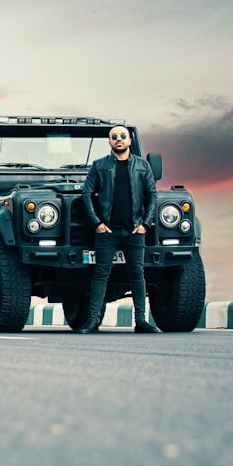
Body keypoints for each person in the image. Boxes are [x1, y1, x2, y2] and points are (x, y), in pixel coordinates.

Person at [81, 125, 159, 334]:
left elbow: (152, 195)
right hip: (108, 231)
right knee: (100, 274)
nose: (119, 139)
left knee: (137, 274)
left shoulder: (142, 166)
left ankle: (141, 321)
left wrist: (145, 224)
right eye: (114, 137)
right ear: (109, 142)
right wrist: (96, 223)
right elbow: (87, 194)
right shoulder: (99, 165)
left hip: (134, 230)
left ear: (129, 141)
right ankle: (93, 321)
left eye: (123, 136)